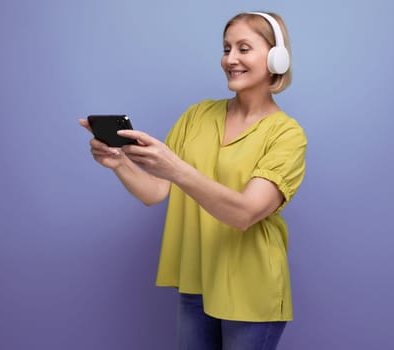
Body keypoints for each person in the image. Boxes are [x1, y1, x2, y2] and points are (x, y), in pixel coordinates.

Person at [80, 11, 307, 350]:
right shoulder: (197, 115)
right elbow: (157, 191)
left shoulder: (288, 135)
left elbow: (245, 213)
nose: (230, 59)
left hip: (251, 294)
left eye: (244, 48)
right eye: (226, 48)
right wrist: (119, 164)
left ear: (277, 57)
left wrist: (175, 168)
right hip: (197, 285)